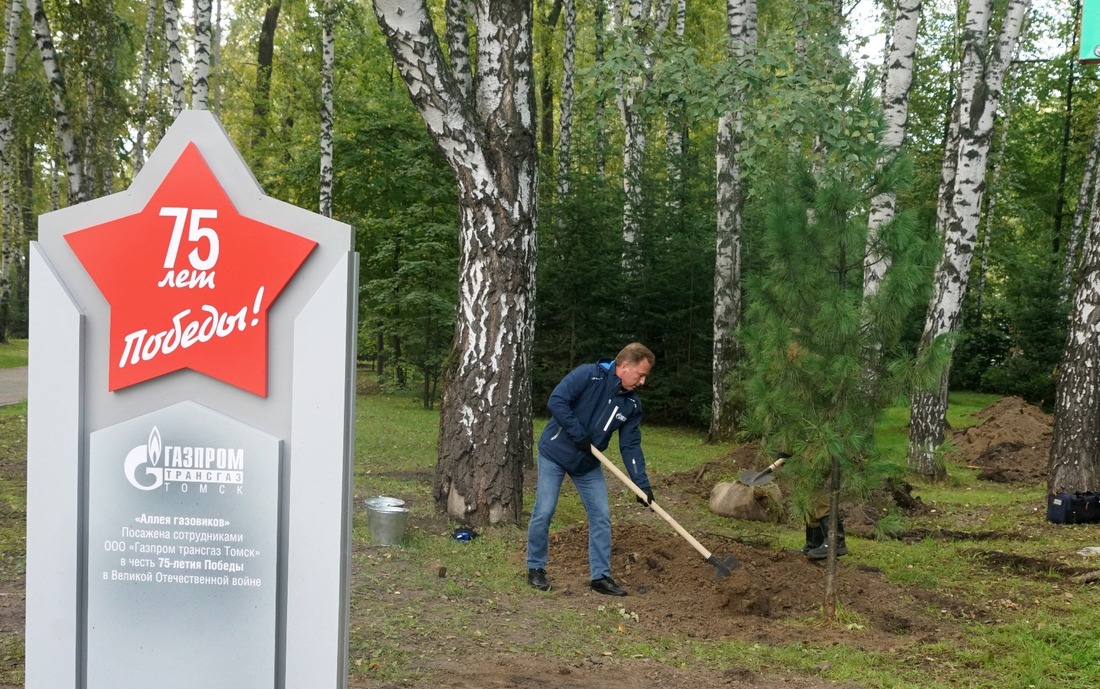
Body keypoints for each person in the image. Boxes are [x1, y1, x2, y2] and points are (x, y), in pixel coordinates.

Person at [525, 343, 656, 596]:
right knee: (544, 509)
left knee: (601, 515)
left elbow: (630, 446)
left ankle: (600, 577)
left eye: (645, 376)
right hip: (555, 452)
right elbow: (557, 401)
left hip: (587, 464)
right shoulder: (589, 375)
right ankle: (535, 568)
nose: (642, 382)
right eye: (640, 374)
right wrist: (577, 433)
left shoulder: (631, 405)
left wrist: (641, 483)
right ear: (625, 366)